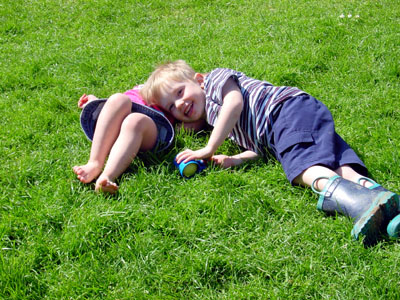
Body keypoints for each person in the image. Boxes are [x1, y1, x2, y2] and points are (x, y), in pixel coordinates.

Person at [139, 60, 400, 245]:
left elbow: (235, 102)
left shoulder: (217, 81)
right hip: (293, 121)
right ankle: (381, 201)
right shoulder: (223, 125)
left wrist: (209, 146)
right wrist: (235, 159)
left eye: (180, 92)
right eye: (171, 106)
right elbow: (260, 149)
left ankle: (360, 204)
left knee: (301, 168)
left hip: (286, 112)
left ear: (198, 80)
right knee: (334, 164)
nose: (180, 103)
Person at [73, 86, 204, 194]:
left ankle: (107, 176)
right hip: (117, 122)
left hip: (148, 127)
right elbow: (112, 108)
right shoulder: (154, 85)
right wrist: (94, 102)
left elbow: (191, 123)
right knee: (119, 99)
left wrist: (199, 118)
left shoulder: (179, 99)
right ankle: (94, 162)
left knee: (135, 120)